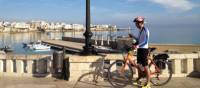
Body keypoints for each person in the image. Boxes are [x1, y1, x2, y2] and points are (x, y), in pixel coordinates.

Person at [132, 16, 150, 88]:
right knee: (139, 65)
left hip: (144, 50)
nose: (136, 25)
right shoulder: (140, 30)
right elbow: (139, 40)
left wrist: (137, 46)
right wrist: (133, 37)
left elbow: (145, 42)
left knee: (146, 67)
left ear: (140, 23)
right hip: (140, 49)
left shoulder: (145, 30)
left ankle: (148, 84)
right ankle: (139, 78)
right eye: (136, 23)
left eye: (136, 23)